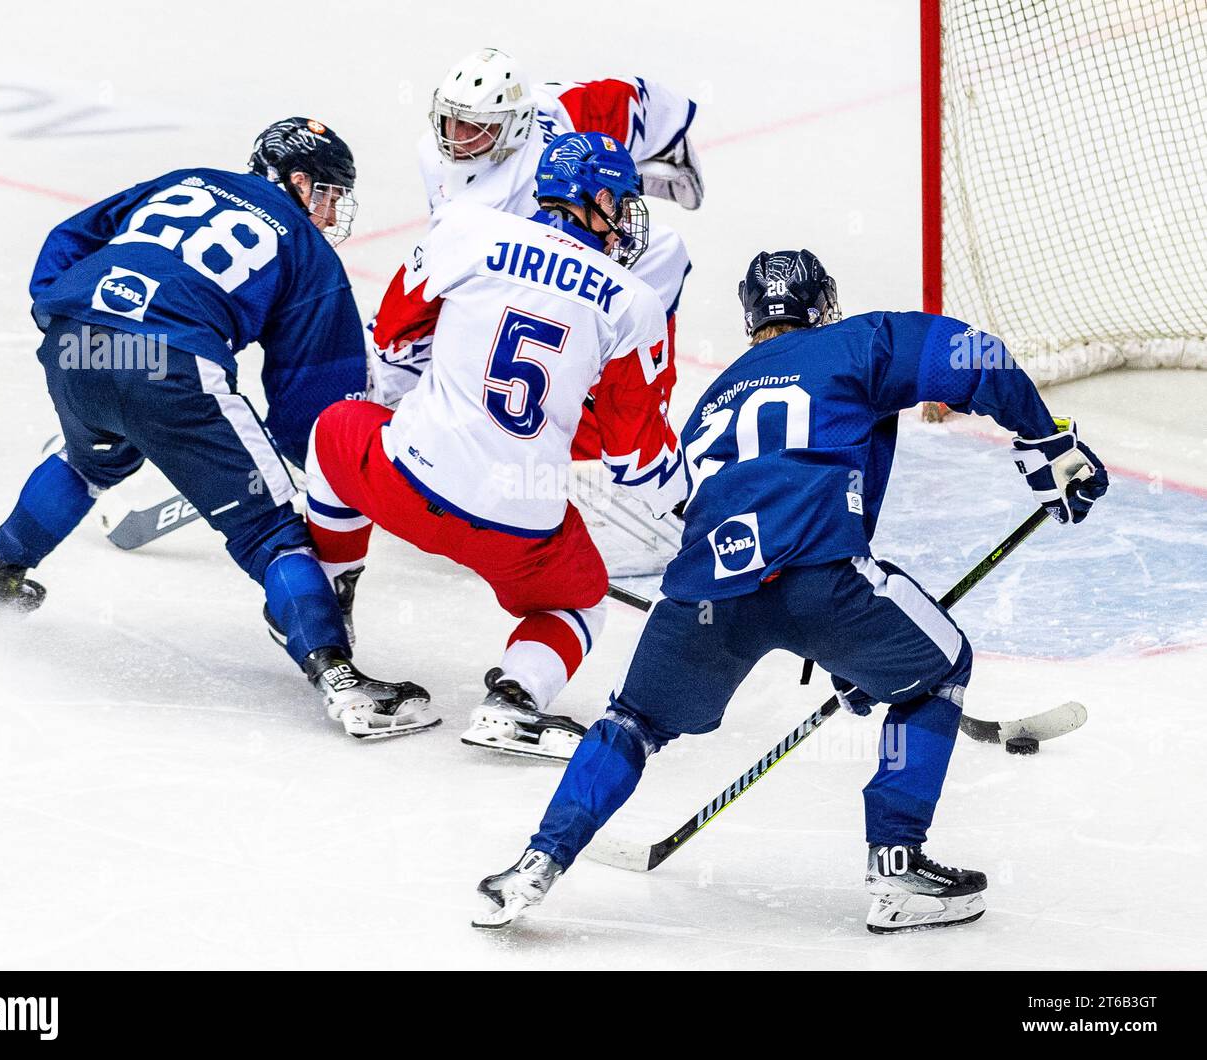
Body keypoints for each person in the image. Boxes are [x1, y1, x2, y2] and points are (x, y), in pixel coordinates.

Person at [474, 249, 1109, 931]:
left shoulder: (713, 400)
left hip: (702, 597)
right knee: (940, 670)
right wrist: (1047, 442)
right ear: (823, 305)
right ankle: (898, 866)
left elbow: (736, 515)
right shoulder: (856, 343)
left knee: (632, 722)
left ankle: (535, 863)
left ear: (753, 318)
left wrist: (849, 653)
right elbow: (975, 355)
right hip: (823, 580)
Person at [0, 117, 423, 730]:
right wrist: (327, 467)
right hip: (173, 366)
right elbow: (313, 390)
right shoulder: (305, 248)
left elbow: (72, 235)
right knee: (270, 533)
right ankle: (339, 678)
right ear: (300, 182)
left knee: (89, 460)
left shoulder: (187, 179)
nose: (331, 215)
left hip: (77, 342)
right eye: (328, 196)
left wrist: (62, 314)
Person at [303, 132, 684, 754]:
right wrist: (690, 506)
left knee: (335, 430)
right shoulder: (635, 302)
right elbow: (635, 455)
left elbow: (394, 338)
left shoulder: (465, 230)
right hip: (518, 528)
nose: (624, 218)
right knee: (582, 604)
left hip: (405, 482)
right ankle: (514, 702)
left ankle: (331, 595)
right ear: (594, 197)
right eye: (619, 200)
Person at [373, 47, 698, 465]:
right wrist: (670, 135)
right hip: (503, 271)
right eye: (450, 119)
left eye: (475, 127)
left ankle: (639, 413)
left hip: (518, 278)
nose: (456, 137)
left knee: (663, 253)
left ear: (514, 127)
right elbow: (615, 99)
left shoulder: (519, 186)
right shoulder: (511, 120)